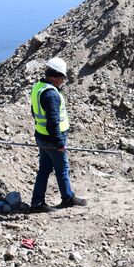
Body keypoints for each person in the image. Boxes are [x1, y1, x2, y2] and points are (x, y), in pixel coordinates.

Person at [30, 57, 87, 212]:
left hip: (41, 137)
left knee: (44, 169)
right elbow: (53, 122)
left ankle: (37, 203)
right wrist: (59, 143)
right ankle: (67, 198)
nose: (63, 81)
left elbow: (34, 112)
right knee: (62, 169)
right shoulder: (51, 95)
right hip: (52, 140)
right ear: (55, 77)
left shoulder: (38, 88)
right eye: (62, 77)